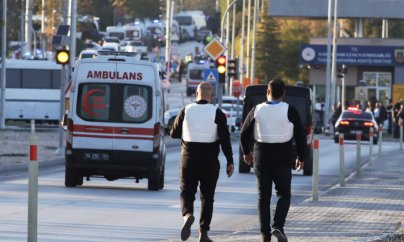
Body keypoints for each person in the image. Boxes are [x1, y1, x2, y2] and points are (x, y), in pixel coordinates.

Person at [240, 79, 307, 242]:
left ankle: (265, 235)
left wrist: (246, 153)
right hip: (283, 155)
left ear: (267, 92)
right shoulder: (290, 110)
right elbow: (300, 135)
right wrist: (301, 157)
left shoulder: (257, 109)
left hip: (261, 155)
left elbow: (244, 133)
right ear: (284, 94)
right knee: (284, 193)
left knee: (263, 197)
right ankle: (278, 225)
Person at [170, 82, 234, 242]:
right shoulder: (217, 113)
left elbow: (173, 133)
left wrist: (189, 131)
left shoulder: (186, 110)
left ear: (196, 94)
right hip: (210, 161)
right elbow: (225, 140)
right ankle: (203, 233)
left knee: (186, 192)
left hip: (188, 159)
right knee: (207, 197)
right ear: (211, 96)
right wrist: (230, 161)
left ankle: (187, 215)